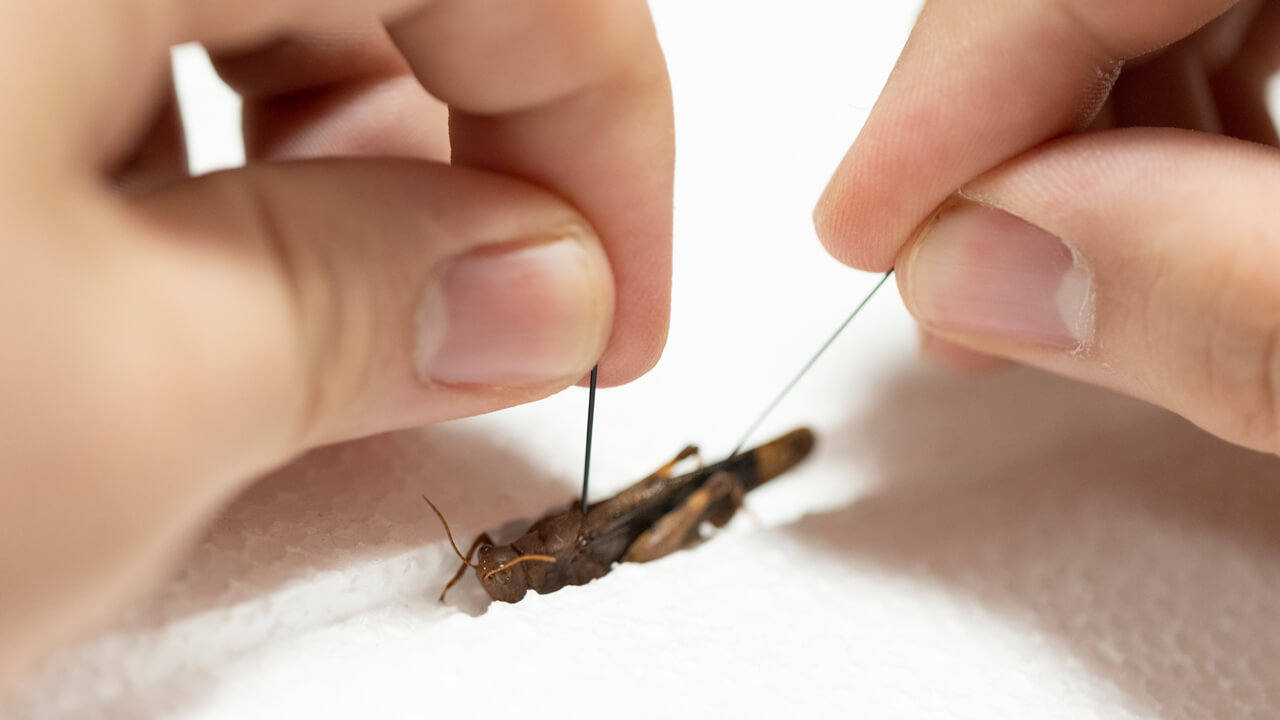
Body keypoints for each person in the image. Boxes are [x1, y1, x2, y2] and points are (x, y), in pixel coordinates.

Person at [1, 0, 1275, 692]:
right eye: (493, 561)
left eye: (495, 561)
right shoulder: (505, 556)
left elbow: (591, 540)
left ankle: (747, 473)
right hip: (622, 517)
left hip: (672, 497)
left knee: (693, 485)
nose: (489, 562)